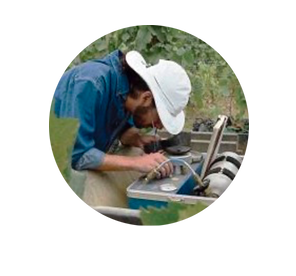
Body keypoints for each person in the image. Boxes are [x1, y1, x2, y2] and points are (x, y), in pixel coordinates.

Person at [51, 49, 192, 207]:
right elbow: (76, 156)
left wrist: (135, 138)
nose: (158, 126)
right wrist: (136, 162)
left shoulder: (126, 93)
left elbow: (116, 120)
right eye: (158, 119)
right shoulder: (90, 84)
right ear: (146, 98)